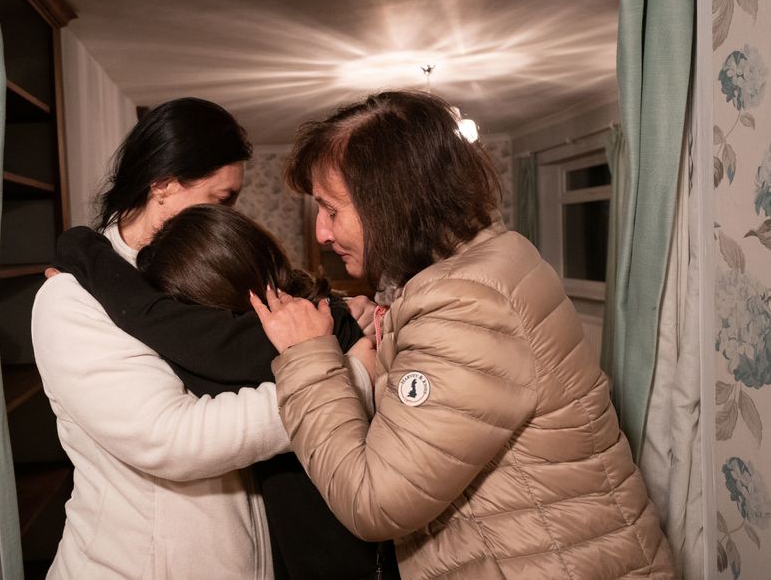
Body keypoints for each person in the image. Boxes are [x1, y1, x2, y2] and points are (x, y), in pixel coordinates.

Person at [249, 91, 676, 579]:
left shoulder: (465, 306)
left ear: (389, 204)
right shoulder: (490, 259)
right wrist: (393, 334)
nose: (322, 232)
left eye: (331, 210)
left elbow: (374, 502)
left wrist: (309, 357)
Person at [34, 96, 392, 579]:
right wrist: (345, 377)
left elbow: (257, 341)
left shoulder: (195, 267)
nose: (230, 215)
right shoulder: (72, 302)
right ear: (162, 184)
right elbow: (172, 439)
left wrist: (334, 315)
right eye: (222, 198)